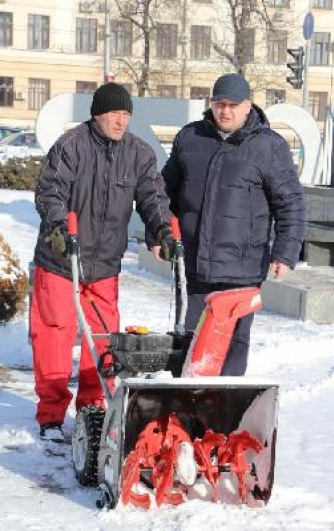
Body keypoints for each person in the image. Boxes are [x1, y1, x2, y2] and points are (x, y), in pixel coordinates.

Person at [31, 82, 174, 442]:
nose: (121, 121)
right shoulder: (71, 146)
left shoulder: (139, 154)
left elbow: (153, 199)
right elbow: (50, 191)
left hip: (104, 265)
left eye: (126, 114)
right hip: (62, 259)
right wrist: (59, 229)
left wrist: (162, 232)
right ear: (97, 114)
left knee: (102, 341)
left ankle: (92, 410)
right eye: (115, 113)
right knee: (55, 335)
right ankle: (50, 416)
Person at [151, 73, 305, 376]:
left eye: (233, 105)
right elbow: (164, 193)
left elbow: (290, 203)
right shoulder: (190, 137)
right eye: (219, 104)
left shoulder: (269, 147)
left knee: (233, 343)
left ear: (248, 105)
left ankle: (224, 415)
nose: (225, 111)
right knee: (190, 342)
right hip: (193, 265)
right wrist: (159, 233)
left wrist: (285, 252)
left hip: (242, 269)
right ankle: (186, 414)